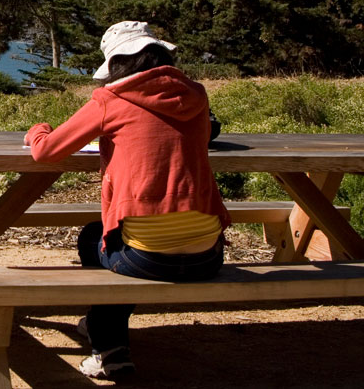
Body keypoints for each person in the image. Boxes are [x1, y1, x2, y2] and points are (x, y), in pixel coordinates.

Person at [23, 21, 230, 380]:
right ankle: (99, 325)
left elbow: (46, 152)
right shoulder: (197, 96)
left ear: (116, 64)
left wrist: (37, 129)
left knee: (96, 238)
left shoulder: (110, 99)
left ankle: (110, 349)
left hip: (147, 259)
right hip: (209, 255)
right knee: (125, 244)